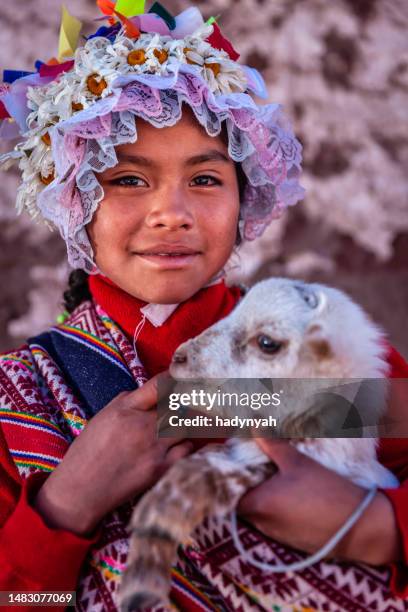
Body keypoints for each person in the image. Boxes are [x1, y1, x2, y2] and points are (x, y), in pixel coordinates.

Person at [0, 2, 407, 610]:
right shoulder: (21, 402)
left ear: (247, 196)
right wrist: (68, 502)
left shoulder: (323, 351)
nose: (172, 213)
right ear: (72, 200)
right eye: (129, 180)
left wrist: (376, 525)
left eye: (206, 179)